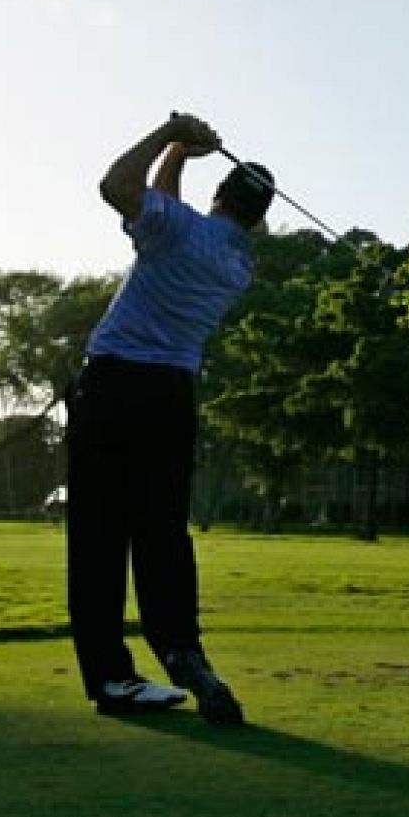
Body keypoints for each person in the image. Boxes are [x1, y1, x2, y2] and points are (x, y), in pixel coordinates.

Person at [66, 111, 275, 725]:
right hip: (171, 398)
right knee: (162, 535)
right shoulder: (239, 267)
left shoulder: (179, 228)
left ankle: (111, 677)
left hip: (111, 388)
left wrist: (169, 135)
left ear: (219, 196)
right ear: (259, 218)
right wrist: (181, 155)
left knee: (100, 538)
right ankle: (181, 647)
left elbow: (116, 187)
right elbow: (163, 210)